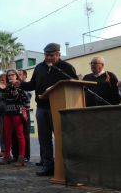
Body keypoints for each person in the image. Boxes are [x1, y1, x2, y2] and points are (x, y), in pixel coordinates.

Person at [11, 43, 78, 176]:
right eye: (46, 55)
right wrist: (21, 84)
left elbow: (74, 85)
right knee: (44, 138)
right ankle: (48, 165)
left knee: (61, 137)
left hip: (59, 107)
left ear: (58, 54)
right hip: (42, 107)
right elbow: (32, 85)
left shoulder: (66, 68)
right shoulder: (39, 67)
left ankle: (64, 166)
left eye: (51, 55)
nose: (48, 58)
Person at [0, 69, 27, 167]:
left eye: (12, 75)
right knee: (7, 135)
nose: (10, 77)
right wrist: (2, 90)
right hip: (7, 112)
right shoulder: (6, 87)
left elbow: (23, 99)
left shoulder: (21, 85)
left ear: (16, 76)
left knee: (20, 135)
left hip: (17, 113)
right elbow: (2, 100)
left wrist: (15, 88)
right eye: (8, 75)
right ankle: (7, 156)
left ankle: (21, 157)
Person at [11, 69, 32, 163]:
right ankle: (15, 155)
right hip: (15, 111)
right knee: (14, 134)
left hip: (24, 111)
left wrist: (20, 87)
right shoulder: (13, 86)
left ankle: (26, 156)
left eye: (20, 75)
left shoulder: (28, 86)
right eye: (17, 75)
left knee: (25, 134)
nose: (18, 76)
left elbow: (28, 97)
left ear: (24, 76)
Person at [0, 74, 7, 157]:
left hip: (9, 113)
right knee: (1, 132)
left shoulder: (10, 88)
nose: (1, 82)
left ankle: (9, 149)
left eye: (3, 80)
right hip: (0, 113)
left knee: (9, 132)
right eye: (0, 80)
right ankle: (3, 149)